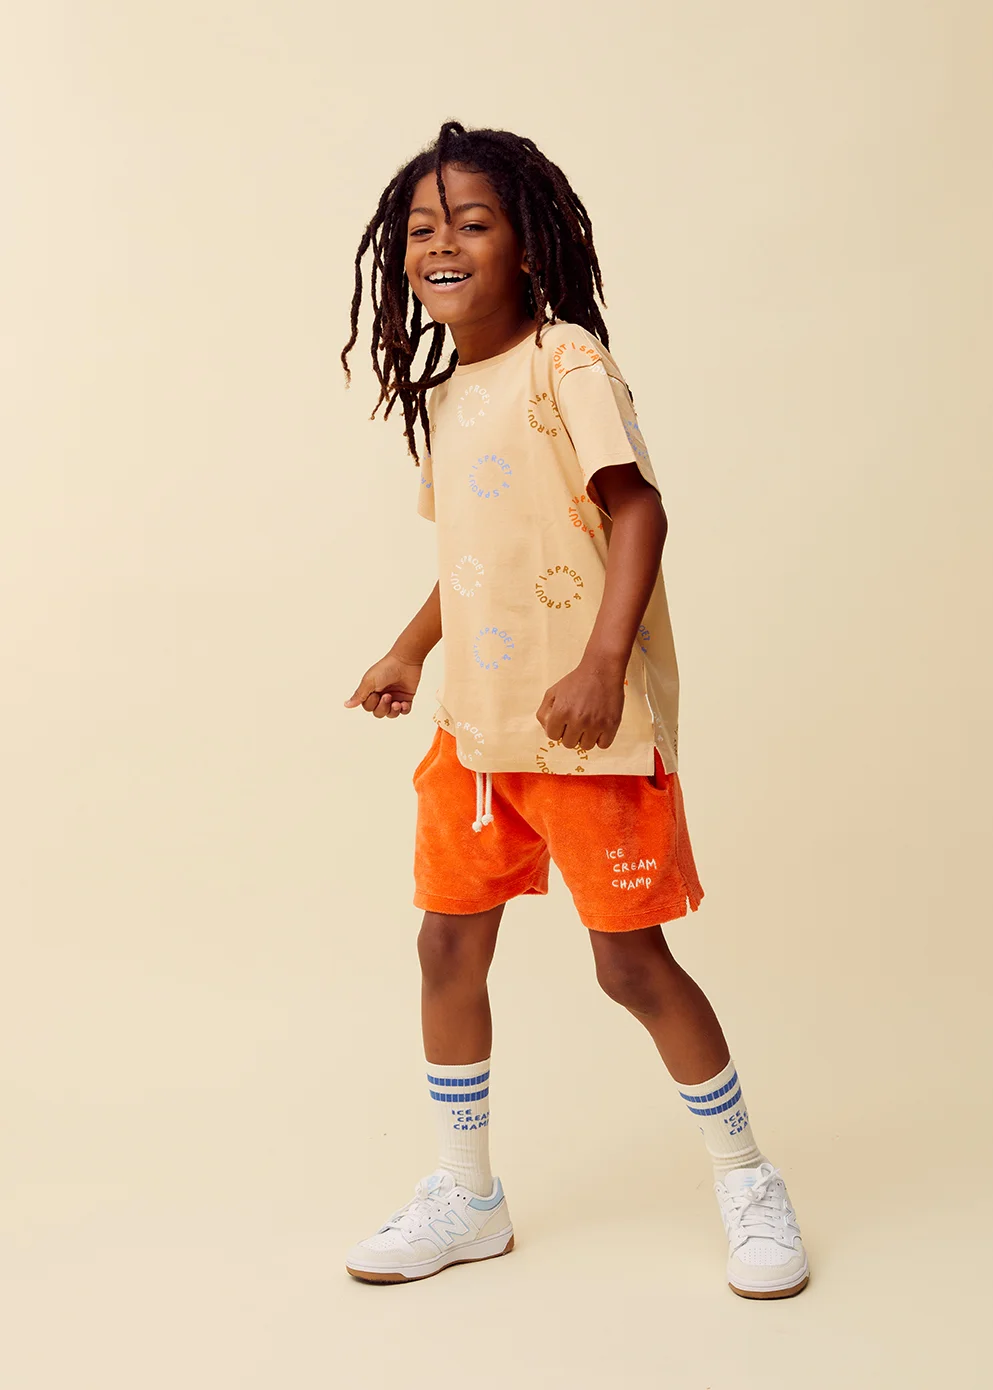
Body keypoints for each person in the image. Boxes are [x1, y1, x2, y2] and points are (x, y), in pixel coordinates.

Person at [339, 120, 808, 1299]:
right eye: (422, 230)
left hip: (587, 735)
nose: (442, 245)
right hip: (476, 734)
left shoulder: (568, 364)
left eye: (472, 223)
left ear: (530, 247)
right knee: (446, 945)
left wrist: (604, 664)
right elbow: (472, 555)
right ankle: (468, 1196)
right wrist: (408, 650)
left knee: (630, 966)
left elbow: (637, 511)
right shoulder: (447, 399)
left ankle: (748, 1177)